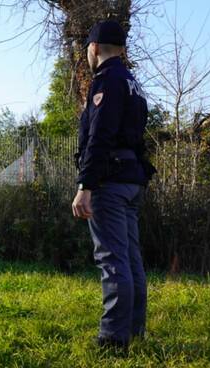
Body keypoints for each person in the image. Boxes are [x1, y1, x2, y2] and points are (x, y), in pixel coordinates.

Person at [71, 20, 156, 349]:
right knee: (131, 259)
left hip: (110, 180)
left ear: (93, 49)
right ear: (121, 49)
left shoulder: (107, 81)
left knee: (112, 259)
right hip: (131, 179)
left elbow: (101, 135)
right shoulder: (134, 83)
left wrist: (85, 184)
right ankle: (134, 331)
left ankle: (113, 339)